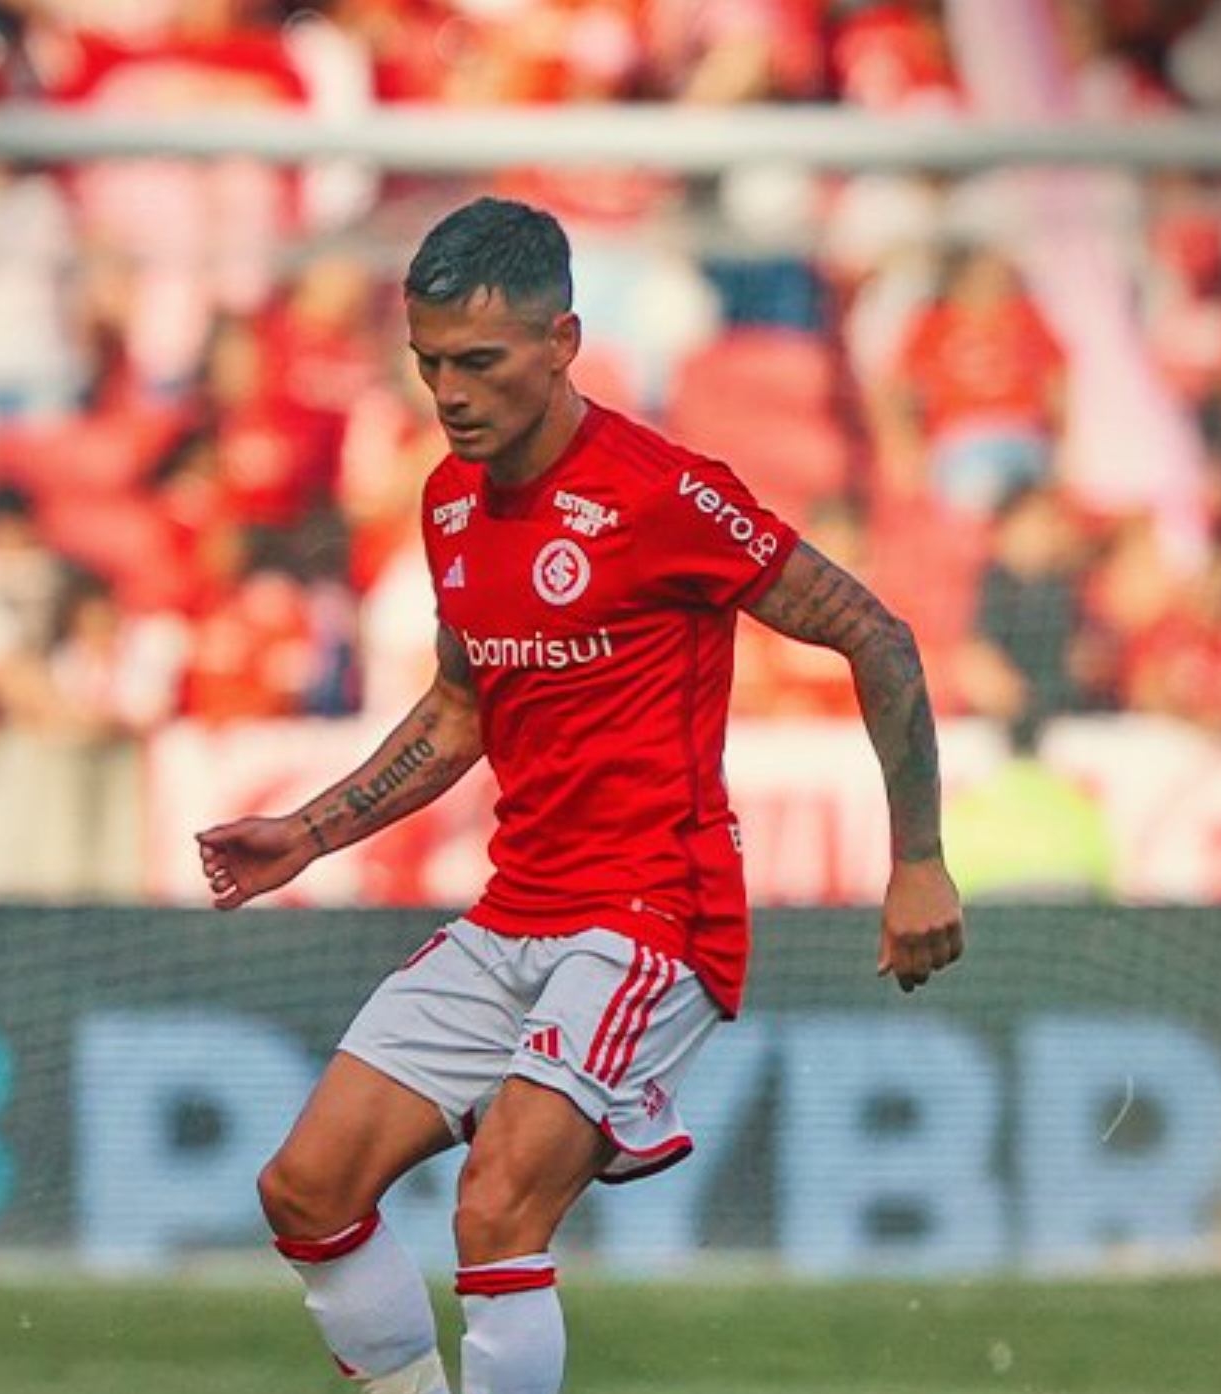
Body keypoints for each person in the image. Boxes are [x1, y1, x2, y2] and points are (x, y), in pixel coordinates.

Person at [195, 197, 964, 1394]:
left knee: (495, 1203)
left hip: (656, 913)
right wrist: (308, 830)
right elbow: (461, 707)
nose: (448, 393)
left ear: (562, 342)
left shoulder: (662, 493)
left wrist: (915, 855)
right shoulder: (449, 501)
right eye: (428, 363)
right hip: (518, 912)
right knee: (304, 1187)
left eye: (478, 362)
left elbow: (876, 632)